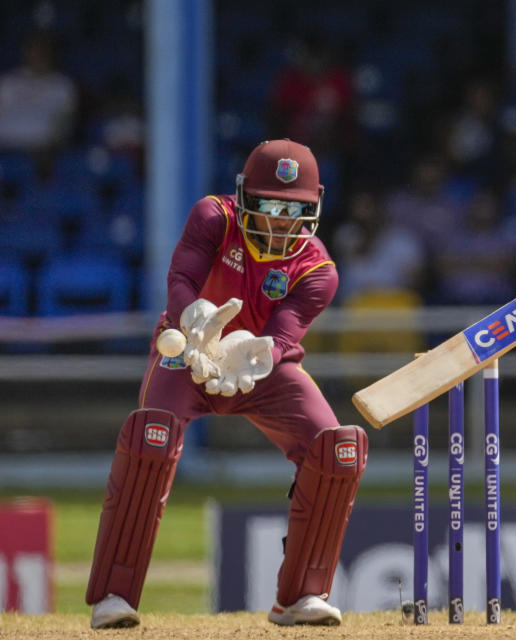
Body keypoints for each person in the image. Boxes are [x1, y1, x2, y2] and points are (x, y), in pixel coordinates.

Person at [85, 139, 367, 628]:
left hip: (259, 367)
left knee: (336, 448)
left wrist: (260, 355)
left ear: (314, 206)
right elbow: (181, 280)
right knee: (152, 437)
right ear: (244, 198)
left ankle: (301, 597)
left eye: (294, 208)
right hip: (189, 351)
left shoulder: (319, 270)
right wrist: (191, 317)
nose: (281, 219)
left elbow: (283, 336)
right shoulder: (214, 217)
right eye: (268, 205)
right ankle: (115, 596)